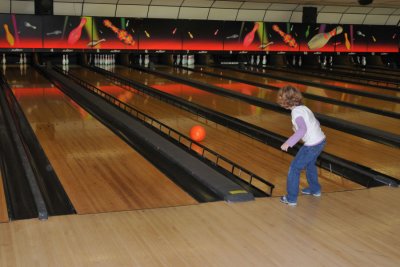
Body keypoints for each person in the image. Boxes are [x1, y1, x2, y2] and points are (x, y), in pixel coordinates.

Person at [277, 85, 326, 206]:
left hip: (311, 146)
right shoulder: (304, 108)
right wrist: (299, 130)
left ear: (284, 101)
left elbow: (302, 129)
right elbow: (315, 122)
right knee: (310, 165)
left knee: (294, 169)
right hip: (321, 141)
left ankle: (291, 198)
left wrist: (288, 143)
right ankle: (315, 189)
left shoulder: (296, 112)